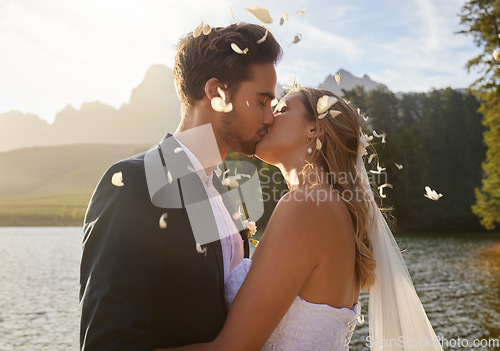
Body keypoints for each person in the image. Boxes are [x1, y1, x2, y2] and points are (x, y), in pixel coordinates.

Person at [160, 88, 444, 351]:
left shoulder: (307, 206)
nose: (268, 117)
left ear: (314, 128)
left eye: (281, 109)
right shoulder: (328, 207)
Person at [79, 23, 282, 350]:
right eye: (261, 102)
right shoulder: (135, 184)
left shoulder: (224, 193)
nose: (270, 118)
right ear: (218, 93)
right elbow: (109, 343)